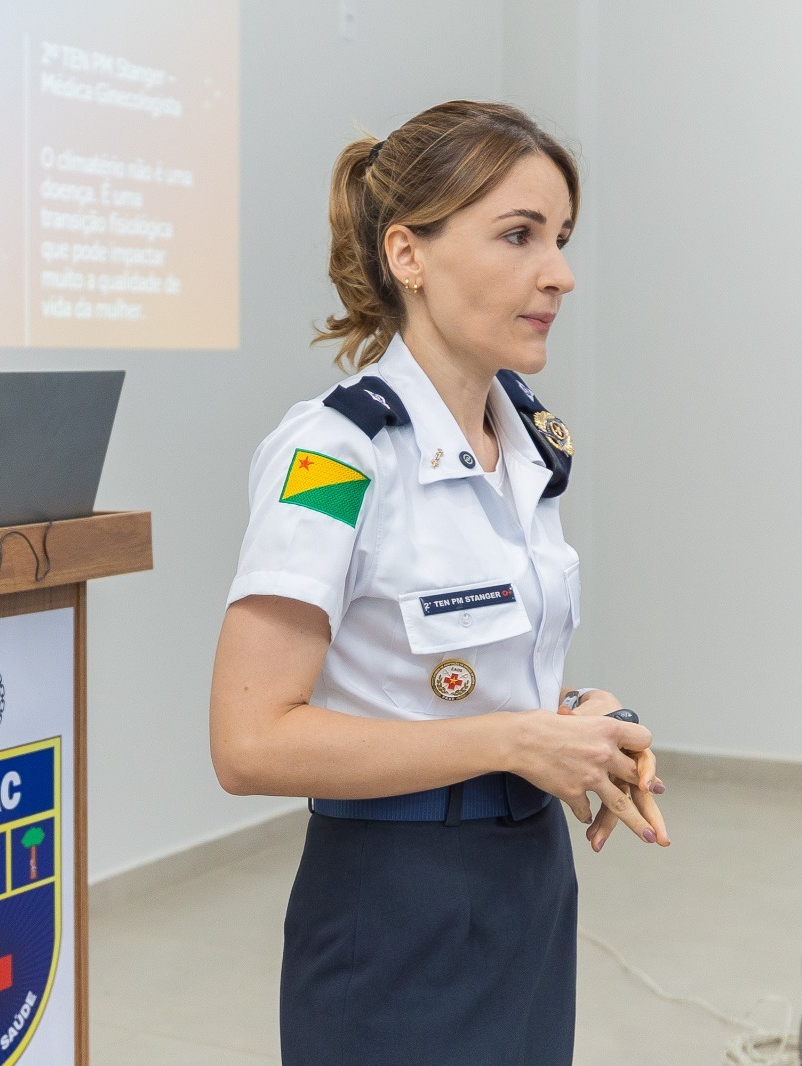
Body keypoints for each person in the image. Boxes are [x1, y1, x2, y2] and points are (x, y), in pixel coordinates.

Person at [209, 100, 669, 1066]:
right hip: (395, 895)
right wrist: (512, 739)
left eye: (561, 238)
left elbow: (462, 683)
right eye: (519, 235)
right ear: (407, 254)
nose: (560, 273)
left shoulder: (526, 442)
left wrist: (575, 719)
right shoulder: (335, 456)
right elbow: (249, 742)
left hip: (529, 876)